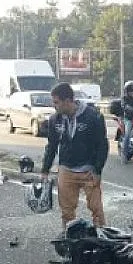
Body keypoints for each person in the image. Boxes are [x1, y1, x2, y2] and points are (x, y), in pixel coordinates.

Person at [41, 82, 109, 228]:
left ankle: (102, 239)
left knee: (96, 209)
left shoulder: (93, 116)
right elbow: (51, 146)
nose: (54, 106)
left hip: (88, 170)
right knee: (67, 211)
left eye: (56, 102)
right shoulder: (54, 120)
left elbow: (102, 145)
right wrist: (45, 170)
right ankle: (69, 240)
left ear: (68, 101)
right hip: (66, 169)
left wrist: (97, 169)